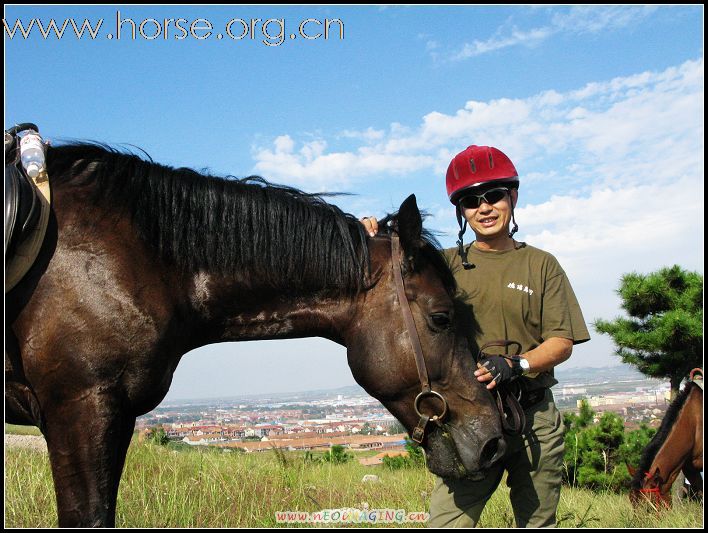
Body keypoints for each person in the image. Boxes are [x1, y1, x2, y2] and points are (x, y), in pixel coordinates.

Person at [360, 145, 590, 528]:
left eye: (494, 195)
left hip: (533, 415)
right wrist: (371, 234)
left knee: (537, 523)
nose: (484, 208)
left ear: (512, 197)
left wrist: (518, 364)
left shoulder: (541, 264)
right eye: (470, 201)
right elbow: (397, 262)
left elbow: (561, 342)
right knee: (447, 522)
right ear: (461, 211)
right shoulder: (445, 264)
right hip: (467, 414)